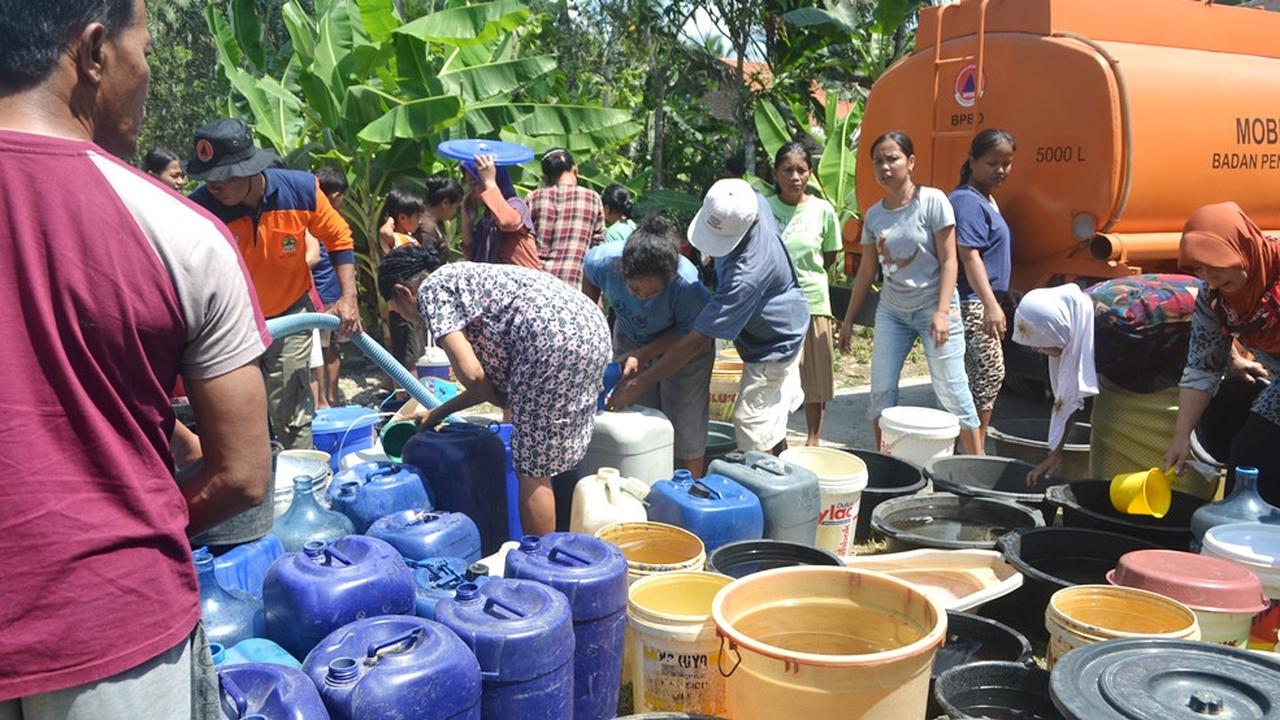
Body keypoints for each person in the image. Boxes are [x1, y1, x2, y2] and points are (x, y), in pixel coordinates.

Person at [0, 1, 272, 715]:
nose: (147, 72)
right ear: (93, 53)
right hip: (114, 634)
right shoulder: (180, 232)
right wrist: (123, 535)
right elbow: (244, 476)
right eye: (144, 48)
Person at [379, 247, 611, 534]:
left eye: (397, 309)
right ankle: (563, 535)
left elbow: (474, 376)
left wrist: (498, 397)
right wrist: (438, 413)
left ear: (404, 292)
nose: (405, 317)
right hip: (591, 328)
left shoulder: (431, 291)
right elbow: (482, 384)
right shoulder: (463, 276)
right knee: (555, 448)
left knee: (532, 470)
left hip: (550, 340)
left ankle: (540, 563)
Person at [188, 118, 360, 449]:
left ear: (249, 170)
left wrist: (348, 298)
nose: (212, 185)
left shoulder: (302, 190)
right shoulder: (200, 209)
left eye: (221, 176)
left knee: (289, 407)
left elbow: (339, 239)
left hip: (291, 312)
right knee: (238, 413)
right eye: (206, 176)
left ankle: (304, 480)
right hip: (231, 322)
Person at [612, 178, 809, 453]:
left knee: (752, 424)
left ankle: (772, 486)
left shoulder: (746, 276)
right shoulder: (748, 199)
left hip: (774, 343)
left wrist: (641, 382)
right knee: (768, 422)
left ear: (748, 224)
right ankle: (783, 468)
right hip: (768, 328)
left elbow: (695, 341)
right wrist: (642, 357)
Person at [838, 130, 983, 455]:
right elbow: (866, 272)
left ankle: (977, 465)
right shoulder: (874, 215)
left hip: (935, 308)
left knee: (952, 390)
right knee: (881, 393)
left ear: (911, 161)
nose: (885, 167)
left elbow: (950, 261)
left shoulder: (933, 201)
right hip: (893, 311)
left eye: (893, 158)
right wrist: (847, 321)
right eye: (878, 161)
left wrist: (943, 312)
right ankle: (886, 463)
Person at [1012, 275, 1200, 483]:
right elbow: (1067, 394)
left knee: (1177, 481)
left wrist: (1231, 357)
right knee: (1110, 480)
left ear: (1060, 329)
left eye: (1040, 344)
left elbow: (1206, 315)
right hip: (1124, 387)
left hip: (1174, 391)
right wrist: (1055, 453)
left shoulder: (1130, 317)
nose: (1036, 350)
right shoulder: (1069, 329)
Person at [1166, 202, 1280, 503]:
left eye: (1216, 265)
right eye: (1200, 268)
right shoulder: (1213, 296)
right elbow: (1202, 367)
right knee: (1249, 457)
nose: (1210, 278)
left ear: (1243, 248)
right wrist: (1180, 437)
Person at [584, 216, 714, 474]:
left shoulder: (687, 284)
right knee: (634, 414)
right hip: (630, 333)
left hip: (685, 345)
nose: (642, 298)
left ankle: (684, 493)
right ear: (622, 271)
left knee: (683, 423)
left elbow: (689, 336)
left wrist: (642, 358)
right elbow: (588, 283)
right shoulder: (602, 261)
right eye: (635, 290)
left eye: (652, 293)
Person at [769, 141, 840, 446]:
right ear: (775, 173)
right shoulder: (765, 208)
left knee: (815, 378)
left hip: (813, 302)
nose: (795, 176)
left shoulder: (823, 211)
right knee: (777, 376)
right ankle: (777, 438)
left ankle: (813, 440)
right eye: (787, 170)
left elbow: (828, 256)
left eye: (801, 170)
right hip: (775, 303)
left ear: (810, 173)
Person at [952, 129, 1016, 446]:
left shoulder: (986, 200)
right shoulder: (966, 201)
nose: (1000, 170)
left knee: (976, 379)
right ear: (973, 160)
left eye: (1006, 163)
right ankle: (973, 453)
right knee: (987, 376)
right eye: (992, 162)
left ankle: (967, 450)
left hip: (980, 300)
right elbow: (969, 255)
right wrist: (990, 305)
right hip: (970, 304)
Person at [529, 147, 606, 288]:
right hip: (574, 286)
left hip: (537, 285)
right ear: (575, 169)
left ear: (546, 177)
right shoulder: (592, 198)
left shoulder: (533, 197)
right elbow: (597, 247)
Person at [379, 189, 432, 372]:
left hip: (413, 305)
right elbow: (384, 232)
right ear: (402, 218)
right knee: (407, 357)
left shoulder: (409, 238)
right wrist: (390, 220)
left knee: (416, 352)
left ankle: (411, 394)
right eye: (416, 217)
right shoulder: (395, 238)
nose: (419, 221)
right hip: (402, 307)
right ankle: (405, 397)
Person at [461, 153, 542, 269]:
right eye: (469, 185)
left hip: (522, 283)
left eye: (474, 184)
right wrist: (466, 224)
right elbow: (473, 263)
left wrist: (490, 182)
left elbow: (506, 222)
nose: (471, 190)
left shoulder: (515, 204)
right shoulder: (485, 223)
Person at [313, 166, 350, 408]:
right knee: (324, 349)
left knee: (325, 348)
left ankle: (326, 399)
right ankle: (326, 400)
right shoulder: (322, 222)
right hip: (325, 294)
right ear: (336, 196)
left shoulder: (310, 221)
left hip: (324, 294)